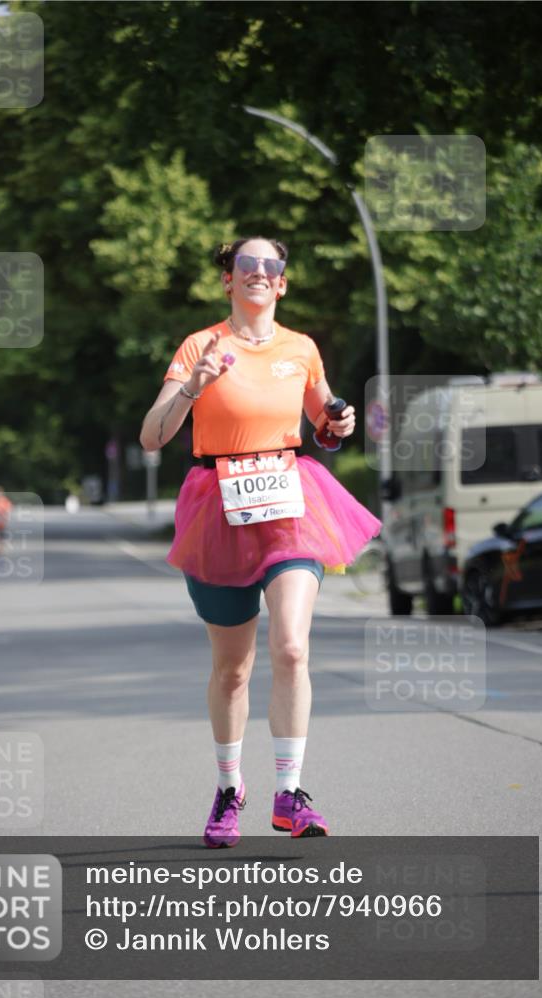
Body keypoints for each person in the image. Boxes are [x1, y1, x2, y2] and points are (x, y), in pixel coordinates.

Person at [140, 237, 382, 847]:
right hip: (217, 504)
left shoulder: (300, 348)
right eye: (244, 265)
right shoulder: (201, 345)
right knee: (232, 670)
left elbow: (324, 421)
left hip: (289, 501)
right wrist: (192, 386)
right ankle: (229, 789)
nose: (257, 273)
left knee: (293, 648)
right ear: (228, 280)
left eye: (269, 266)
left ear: (282, 282)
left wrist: (336, 424)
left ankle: (289, 791)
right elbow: (152, 436)